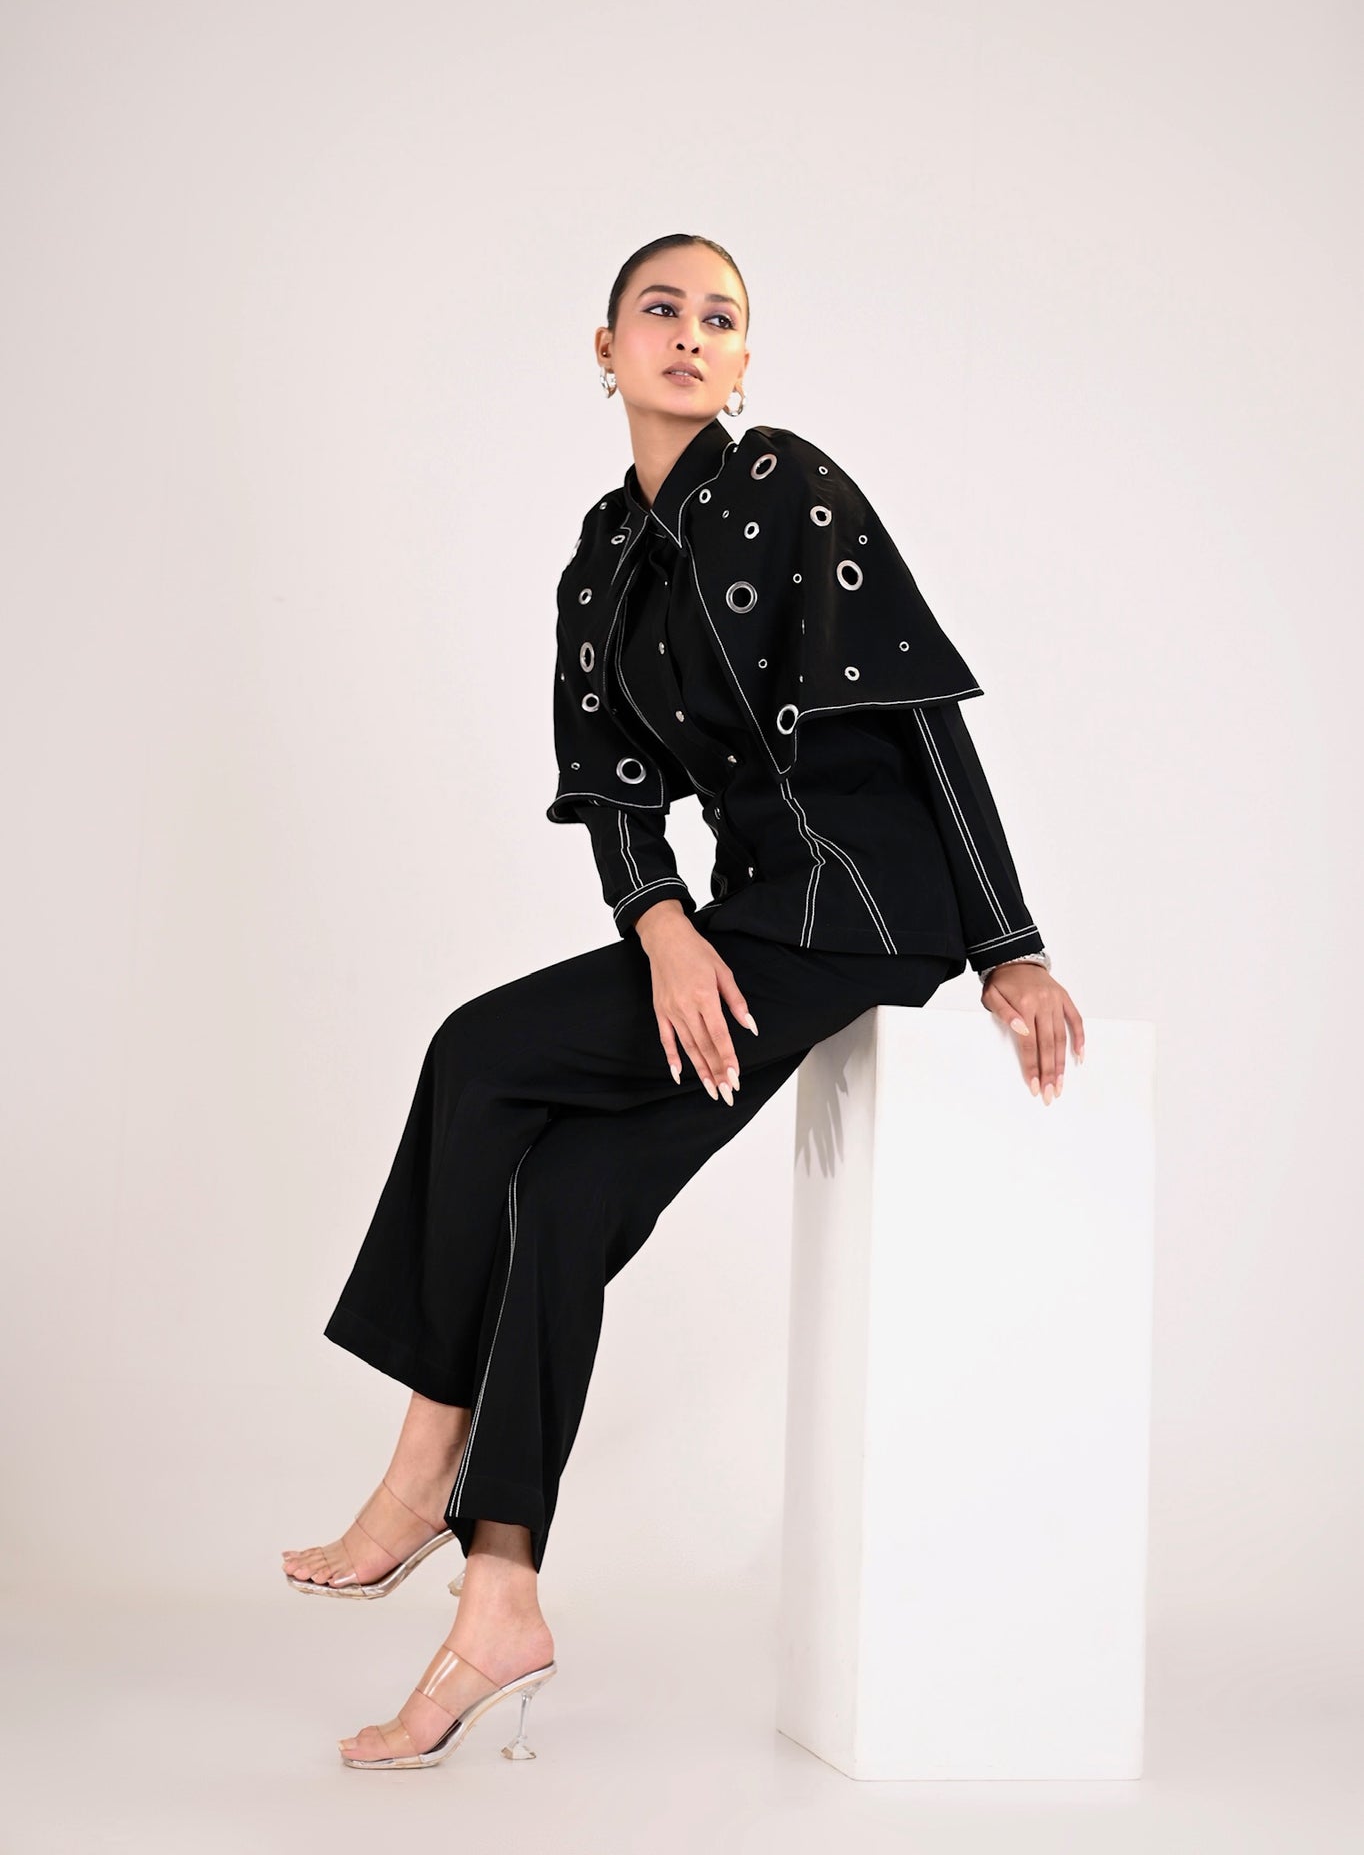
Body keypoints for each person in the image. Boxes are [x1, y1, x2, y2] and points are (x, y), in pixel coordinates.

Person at [281, 234, 1086, 1771]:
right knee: (566, 1197)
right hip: (744, 923)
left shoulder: (787, 481)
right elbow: (614, 789)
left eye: (721, 317)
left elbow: (922, 715)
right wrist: (658, 922)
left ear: (744, 361)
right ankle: (500, 1596)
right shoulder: (601, 559)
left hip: (863, 916)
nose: (692, 335)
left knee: (478, 1053)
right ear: (606, 349)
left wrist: (1010, 944)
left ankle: (422, 1466)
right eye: (661, 310)